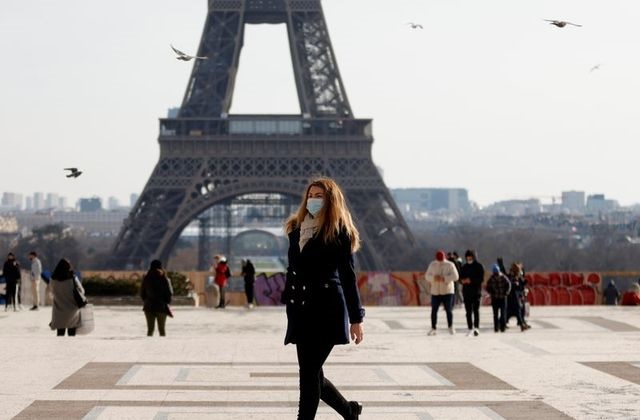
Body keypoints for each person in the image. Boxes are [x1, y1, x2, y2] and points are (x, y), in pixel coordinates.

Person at [282, 178, 365, 420]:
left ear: (330, 200)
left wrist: (356, 318)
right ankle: (349, 411)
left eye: (319, 196)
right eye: (311, 195)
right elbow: (293, 269)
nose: (313, 200)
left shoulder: (339, 232)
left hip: (327, 309)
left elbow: (348, 278)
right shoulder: (296, 229)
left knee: (308, 376)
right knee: (312, 373)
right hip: (302, 309)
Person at [49, 258, 85, 336]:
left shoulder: (53, 279)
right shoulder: (72, 278)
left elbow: (52, 292)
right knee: (71, 335)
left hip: (58, 310)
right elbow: (81, 291)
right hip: (72, 311)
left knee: (60, 335)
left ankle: (59, 348)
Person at [425, 251, 459, 335]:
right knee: (434, 310)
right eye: (439, 260)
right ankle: (433, 328)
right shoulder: (432, 265)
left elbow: (456, 276)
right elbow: (427, 276)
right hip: (435, 292)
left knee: (448, 310)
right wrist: (433, 278)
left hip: (447, 291)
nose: (440, 262)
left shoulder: (450, 265)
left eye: (442, 260)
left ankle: (450, 327)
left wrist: (444, 278)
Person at [140, 260, 173, 336]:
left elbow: (142, 293)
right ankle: (162, 346)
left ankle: (149, 345)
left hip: (148, 306)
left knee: (150, 330)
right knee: (162, 330)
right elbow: (169, 293)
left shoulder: (146, 278)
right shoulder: (164, 279)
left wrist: (146, 301)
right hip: (161, 307)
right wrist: (166, 302)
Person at [459, 249, 485, 337]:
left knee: (476, 311)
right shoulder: (464, 267)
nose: (469, 259)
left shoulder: (479, 266)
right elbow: (459, 278)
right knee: (468, 311)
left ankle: (476, 328)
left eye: (470, 257)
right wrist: (462, 281)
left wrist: (471, 280)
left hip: (476, 291)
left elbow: (481, 279)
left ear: (474, 257)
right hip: (466, 292)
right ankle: (470, 328)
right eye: (467, 258)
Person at [486, 264, 512, 333]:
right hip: (497, 298)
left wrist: (506, 292)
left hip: (501, 298)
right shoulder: (493, 278)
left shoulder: (501, 277)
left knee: (501, 313)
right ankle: (498, 328)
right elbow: (487, 287)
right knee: (497, 314)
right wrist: (491, 292)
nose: (496, 274)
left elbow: (509, 285)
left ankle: (500, 327)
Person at [506, 262, 530, 331]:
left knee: (516, 311)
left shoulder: (517, 276)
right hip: (513, 296)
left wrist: (523, 282)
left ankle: (521, 323)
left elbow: (520, 284)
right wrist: (516, 284)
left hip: (517, 296)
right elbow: (511, 284)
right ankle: (521, 324)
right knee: (516, 310)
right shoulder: (512, 276)